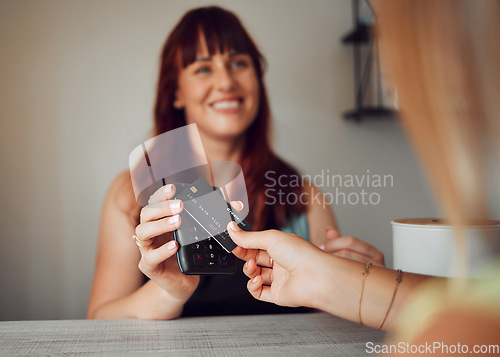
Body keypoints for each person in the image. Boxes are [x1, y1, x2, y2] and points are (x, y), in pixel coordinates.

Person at [228, 0, 500, 353]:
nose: (389, 57)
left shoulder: (302, 192)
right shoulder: (137, 192)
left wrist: (340, 280)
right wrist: (336, 279)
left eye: (388, 25)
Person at [87, 6, 384, 320]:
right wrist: (167, 292)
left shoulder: (304, 198)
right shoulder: (128, 193)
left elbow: (334, 320)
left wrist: (367, 286)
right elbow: (100, 320)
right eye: (203, 68)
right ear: (176, 92)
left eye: (238, 63)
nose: (226, 82)